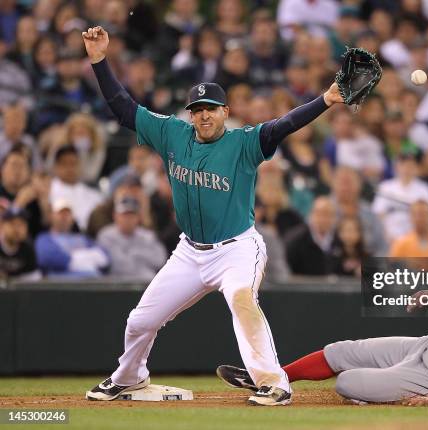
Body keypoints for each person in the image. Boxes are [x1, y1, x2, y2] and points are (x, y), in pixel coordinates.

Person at [82, 25, 345, 406]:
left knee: (242, 298)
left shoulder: (244, 142)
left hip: (237, 248)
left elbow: (285, 124)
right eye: (197, 110)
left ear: (226, 112)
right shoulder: (172, 133)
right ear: (190, 115)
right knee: (140, 320)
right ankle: (129, 378)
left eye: (210, 109)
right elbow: (123, 108)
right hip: (189, 252)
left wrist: (324, 99)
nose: (203, 115)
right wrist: (99, 61)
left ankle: (275, 384)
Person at [218, 225, 428, 405]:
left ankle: (381, 395)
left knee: (347, 383)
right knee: (340, 351)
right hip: (426, 347)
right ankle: (273, 379)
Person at [97, 196, 167, 280]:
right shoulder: (106, 236)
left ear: (138, 217)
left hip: (145, 282)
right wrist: (141, 258)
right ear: (115, 216)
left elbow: (160, 260)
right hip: (116, 285)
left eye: (131, 215)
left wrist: (135, 254)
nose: (128, 219)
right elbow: (115, 265)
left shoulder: (148, 236)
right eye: (124, 215)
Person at [35, 199, 109, 278]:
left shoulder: (82, 238)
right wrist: (85, 259)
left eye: (67, 214)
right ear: (51, 216)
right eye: (60, 213)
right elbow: (46, 258)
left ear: (73, 218)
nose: (64, 217)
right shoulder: (45, 238)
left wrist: (73, 258)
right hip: (62, 286)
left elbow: (105, 258)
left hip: (92, 283)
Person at [284, 196, 336, 276]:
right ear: (311, 215)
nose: (323, 219)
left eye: (327, 214)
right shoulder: (295, 239)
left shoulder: (339, 240)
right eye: (319, 213)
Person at [0, 207, 39, 281]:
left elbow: (32, 281)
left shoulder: (28, 249)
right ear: (2, 226)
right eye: (12, 224)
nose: (17, 229)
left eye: (21, 224)